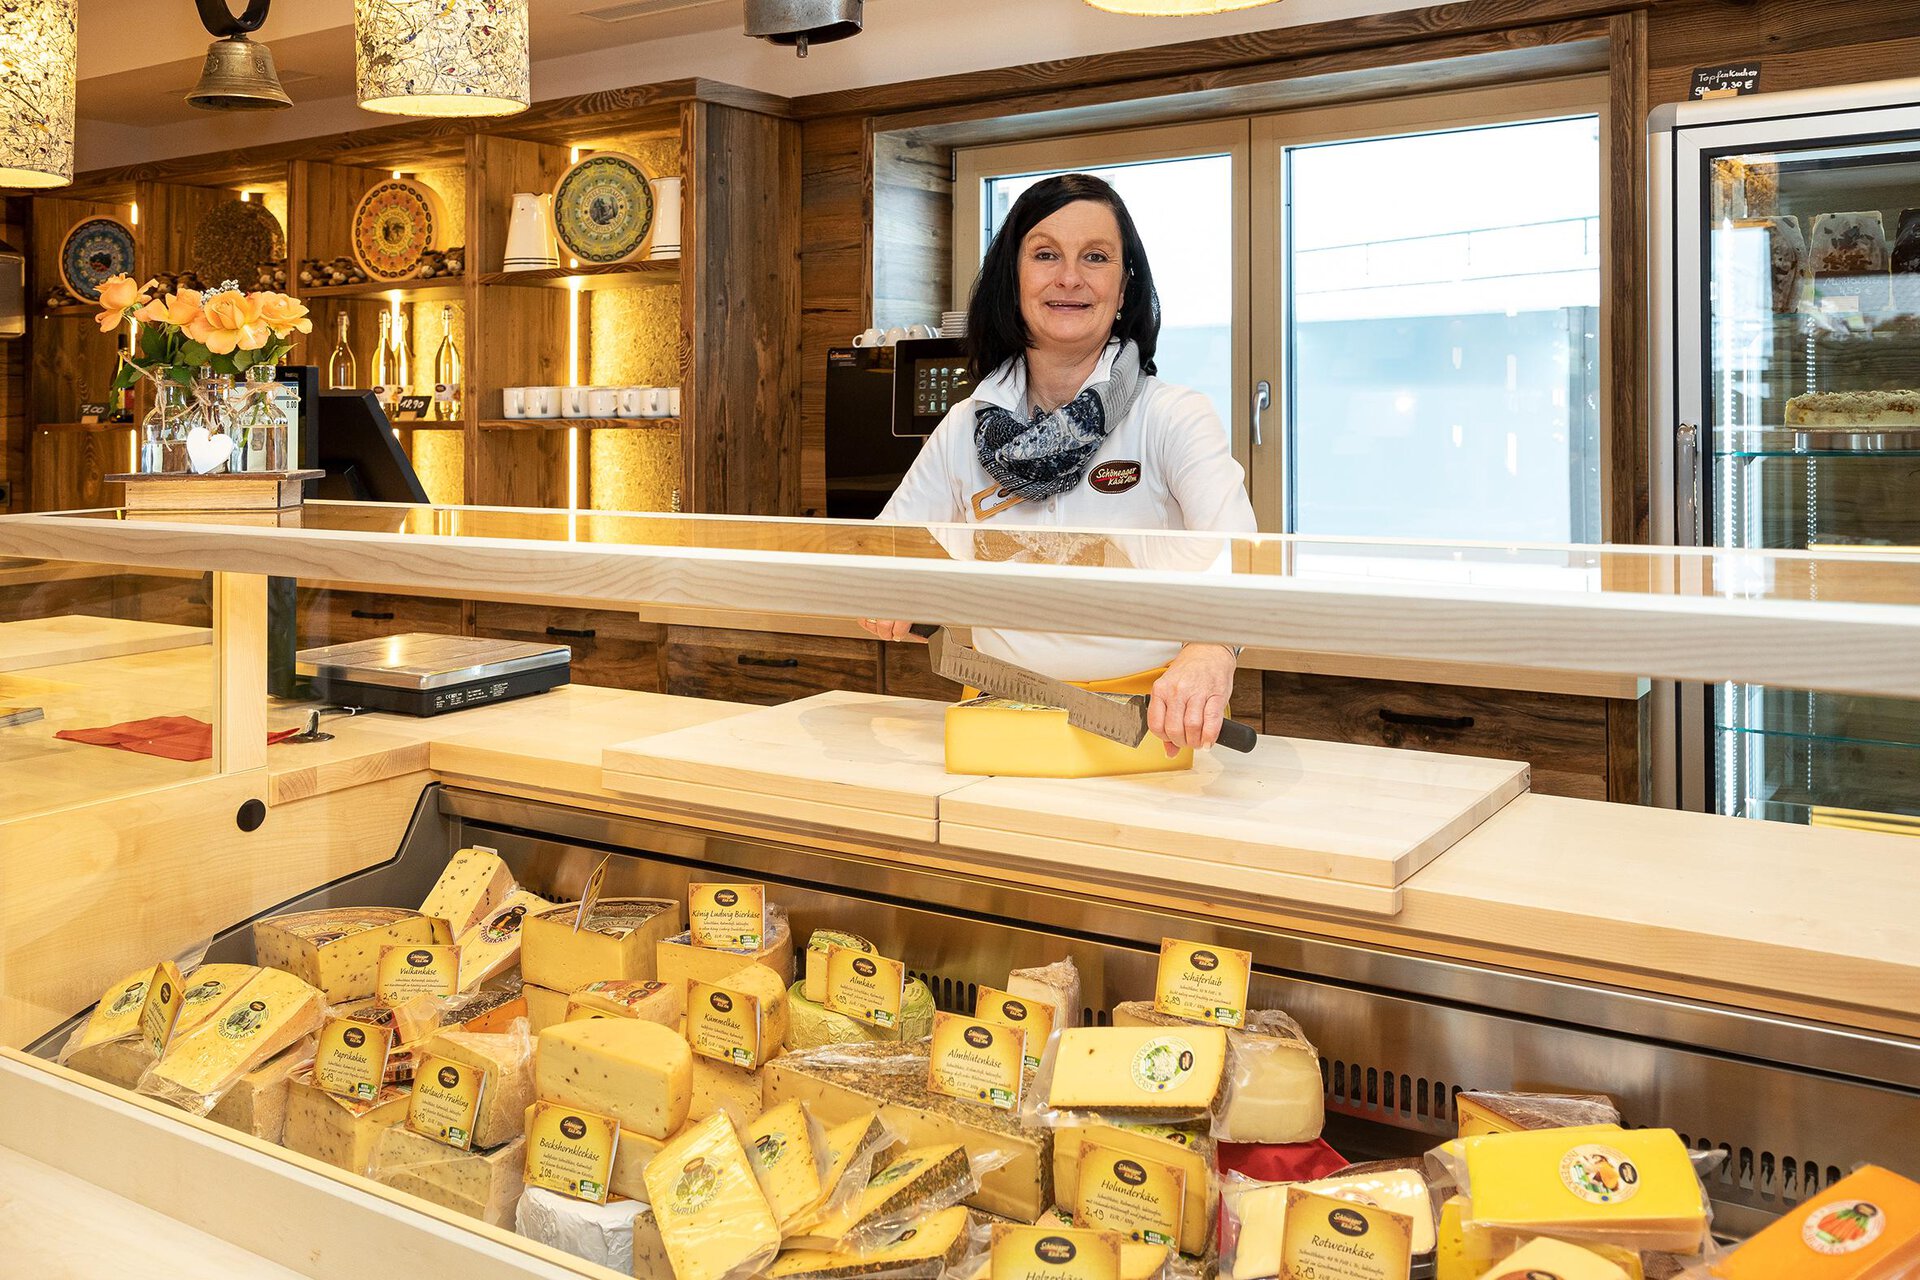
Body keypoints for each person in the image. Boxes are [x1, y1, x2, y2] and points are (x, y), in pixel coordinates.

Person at [865, 173, 1256, 753]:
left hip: (1150, 727)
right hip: (999, 716)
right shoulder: (966, 427)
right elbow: (883, 552)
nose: (1069, 277)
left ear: (1123, 288)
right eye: (1046, 254)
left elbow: (1242, 558)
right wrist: (886, 589)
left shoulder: (1173, 416)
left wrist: (1210, 650)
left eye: (1095, 257)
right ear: (1012, 279)